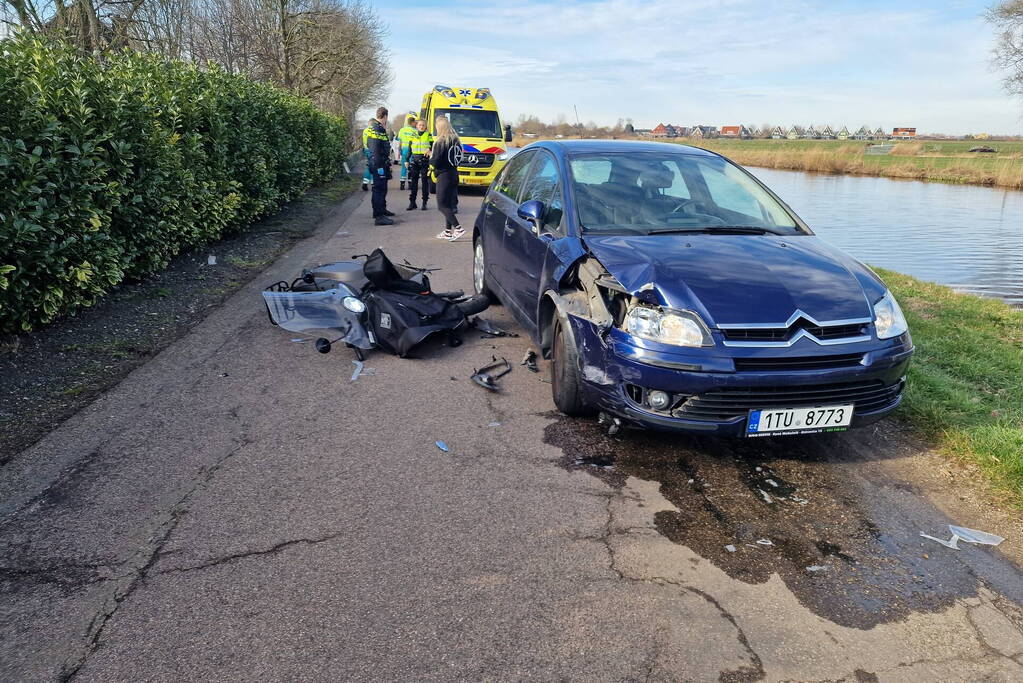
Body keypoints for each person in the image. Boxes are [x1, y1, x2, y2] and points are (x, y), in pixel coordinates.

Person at [430, 115, 463, 240]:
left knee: (442, 205)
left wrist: (430, 158)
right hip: (454, 173)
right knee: (448, 204)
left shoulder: (440, 142)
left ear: (440, 127)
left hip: (444, 176)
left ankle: (458, 228)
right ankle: (448, 231)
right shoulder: (456, 140)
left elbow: (436, 161)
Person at [364, 107, 394, 225]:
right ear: (385, 116)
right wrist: (379, 165)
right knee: (379, 189)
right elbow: (375, 148)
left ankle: (381, 210)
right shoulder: (376, 129)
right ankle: (379, 216)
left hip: (380, 162)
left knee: (382, 187)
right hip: (378, 164)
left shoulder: (378, 128)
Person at [406, 118, 432, 211]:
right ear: (417, 126)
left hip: (425, 161)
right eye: (420, 125)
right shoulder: (413, 135)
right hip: (414, 160)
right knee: (414, 183)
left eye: (423, 125)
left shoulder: (429, 135)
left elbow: (433, 147)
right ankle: (412, 202)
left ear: (426, 127)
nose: (421, 126)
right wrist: (406, 160)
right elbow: (409, 148)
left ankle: (424, 202)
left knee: (425, 182)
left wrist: (430, 150)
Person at [397, 112, 417, 191]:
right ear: (412, 122)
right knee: (411, 167)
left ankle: (402, 185)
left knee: (403, 167)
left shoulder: (402, 130)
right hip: (412, 150)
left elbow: (400, 142)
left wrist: (399, 151)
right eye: (415, 122)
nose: (415, 124)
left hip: (404, 149)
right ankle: (410, 185)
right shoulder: (415, 131)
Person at [360, 118, 375, 192]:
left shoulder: (365, 130)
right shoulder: (374, 130)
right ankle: (373, 184)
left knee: (369, 166)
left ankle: (365, 183)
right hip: (373, 150)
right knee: (374, 167)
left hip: (366, 150)